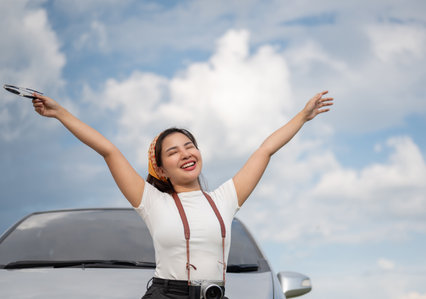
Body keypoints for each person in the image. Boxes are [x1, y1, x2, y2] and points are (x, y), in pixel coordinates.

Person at [32, 90, 333, 299]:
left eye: (190, 146)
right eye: (173, 152)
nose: (186, 154)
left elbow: (265, 150)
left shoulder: (223, 200)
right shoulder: (151, 201)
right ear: (161, 169)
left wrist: (302, 116)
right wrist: (60, 113)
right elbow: (108, 150)